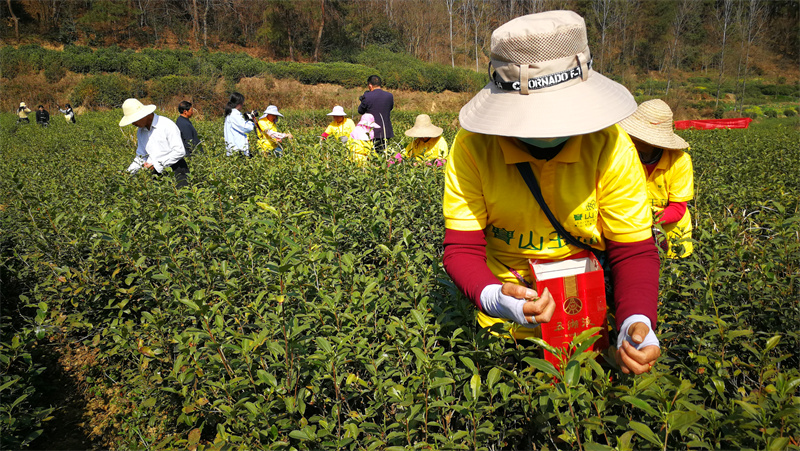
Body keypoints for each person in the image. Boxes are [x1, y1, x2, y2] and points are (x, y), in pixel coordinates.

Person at [442, 11, 660, 375]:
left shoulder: (610, 146)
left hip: (588, 314)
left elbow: (632, 250)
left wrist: (636, 319)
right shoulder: (474, 147)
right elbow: (462, 248)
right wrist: (494, 298)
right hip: (505, 328)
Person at [620, 99, 694, 258]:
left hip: (673, 238)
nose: (632, 138)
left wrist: (640, 218)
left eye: (637, 136)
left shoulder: (679, 162)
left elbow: (677, 209)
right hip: (637, 234)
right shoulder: (626, 156)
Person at [120, 98, 189, 188]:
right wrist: (127, 173)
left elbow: (179, 151)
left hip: (176, 171)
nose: (133, 123)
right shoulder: (141, 132)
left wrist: (156, 164)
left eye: (134, 120)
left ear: (143, 115)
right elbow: (141, 156)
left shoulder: (166, 125)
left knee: (181, 199)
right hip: (156, 174)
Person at [357, 75, 394, 153]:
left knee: (371, 155)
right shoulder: (389, 96)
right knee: (383, 155)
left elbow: (360, 111)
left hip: (371, 132)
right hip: (385, 131)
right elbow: (390, 108)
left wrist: (362, 100)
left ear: (370, 85)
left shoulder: (367, 96)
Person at [223, 92, 255, 157]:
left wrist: (246, 119)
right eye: (242, 102)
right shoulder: (234, 114)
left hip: (233, 150)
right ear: (239, 103)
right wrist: (250, 120)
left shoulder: (230, 113)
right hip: (237, 150)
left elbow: (239, 126)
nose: (243, 105)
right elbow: (246, 128)